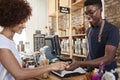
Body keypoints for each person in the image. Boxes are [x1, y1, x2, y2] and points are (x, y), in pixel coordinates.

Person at [0, 0, 68, 80]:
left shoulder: (8, 41)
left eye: (24, 22)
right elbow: (19, 74)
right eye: (21, 22)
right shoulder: (2, 42)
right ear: (10, 20)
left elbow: (19, 70)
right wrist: (51, 66)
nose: (24, 26)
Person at [66, 0, 119, 80]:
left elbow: (108, 58)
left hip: (108, 74)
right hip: (93, 73)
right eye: (86, 13)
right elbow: (91, 52)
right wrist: (84, 68)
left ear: (101, 10)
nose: (88, 16)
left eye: (91, 12)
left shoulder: (112, 30)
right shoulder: (89, 31)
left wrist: (81, 63)